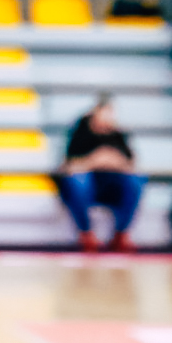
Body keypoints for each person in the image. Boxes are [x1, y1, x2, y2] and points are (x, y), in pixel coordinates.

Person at [55, 97, 145, 253]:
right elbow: (67, 166)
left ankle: (121, 234)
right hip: (88, 188)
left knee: (135, 181)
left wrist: (115, 162)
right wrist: (94, 161)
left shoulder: (119, 136)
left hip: (113, 186)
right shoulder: (81, 133)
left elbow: (132, 165)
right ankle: (86, 233)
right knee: (77, 181)